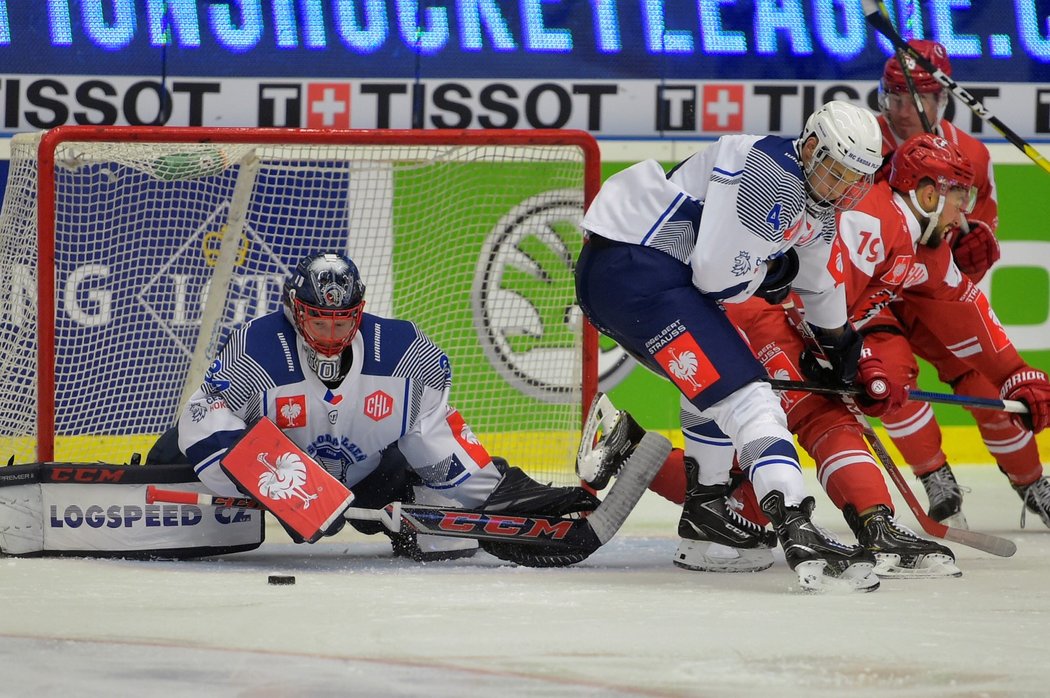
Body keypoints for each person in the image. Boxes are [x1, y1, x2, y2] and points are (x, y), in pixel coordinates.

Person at [574, 100, 893, 592]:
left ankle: (706, 518)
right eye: (835, 171)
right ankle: (796, 524)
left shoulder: (817, 201)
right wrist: (776, 272)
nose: (842, 189)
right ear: (810, 147)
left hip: (630, 279)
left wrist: (842, 348)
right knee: (750, 398)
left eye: (855, 180)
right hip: (639, 272)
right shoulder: (771, 169)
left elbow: (819, 285)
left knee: (718, 386)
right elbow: (719, 275)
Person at [176, 252, 602, 564]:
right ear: (294, 310)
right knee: (175, 461)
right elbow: (202, 421)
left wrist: (499, 499)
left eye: (342, 321)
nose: (330, 333)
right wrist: (278, 484)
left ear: (358, 312)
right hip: (286, 474)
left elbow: (437, 440)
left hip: (374, 481)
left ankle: (426, 517)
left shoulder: (403, 355)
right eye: (318, 320)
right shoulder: (257, 349)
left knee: (446, 541)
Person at [876, 41, 1050, 528]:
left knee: (983, 378)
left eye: (917, 98)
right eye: (895, 97)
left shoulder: (970, 155)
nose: (904, 108)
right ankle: (934, 476)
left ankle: (1031, 479)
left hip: (933, 290)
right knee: (887, 376)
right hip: (875, 293)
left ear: (941, 99)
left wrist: (978, 248)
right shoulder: (863, 138)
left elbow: (975, 236)